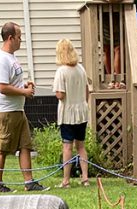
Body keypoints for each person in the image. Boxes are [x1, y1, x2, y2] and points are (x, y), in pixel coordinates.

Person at [0, 22, 45, 193]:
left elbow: (12, 81)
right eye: (19, 37)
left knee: (25, 146)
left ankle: (29, 183)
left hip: (18, 110)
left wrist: (25, 84)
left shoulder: (12, 57)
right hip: (5, 111)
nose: (21, 40)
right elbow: (2, 87)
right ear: (10, 38)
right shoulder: (1, 59)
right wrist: (24, 92)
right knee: (2, 149)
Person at [53, 39, 90, 188]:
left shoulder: (61, 71)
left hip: (68, 113)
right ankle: (85, 178)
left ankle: (66, 180)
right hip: (81, 112)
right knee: (81, 146)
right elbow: (87, 91)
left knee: (67, 147)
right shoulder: (81, 69)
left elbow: (60, 95)